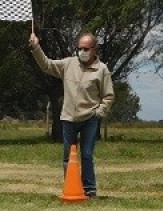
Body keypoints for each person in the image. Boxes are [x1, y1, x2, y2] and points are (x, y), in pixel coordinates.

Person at [29, 31, 115, 198]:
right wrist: (36, 47)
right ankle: (71, 187)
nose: (82, 51)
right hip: (68, 118)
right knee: (68, 156)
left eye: (86, 48)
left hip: (90, 118)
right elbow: (46, 65)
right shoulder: (68, 64)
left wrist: (99, 112)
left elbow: (109, 95)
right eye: (79, 48)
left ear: (94, 49)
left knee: (87, 154)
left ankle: (90, 190)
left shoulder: (102, 70)